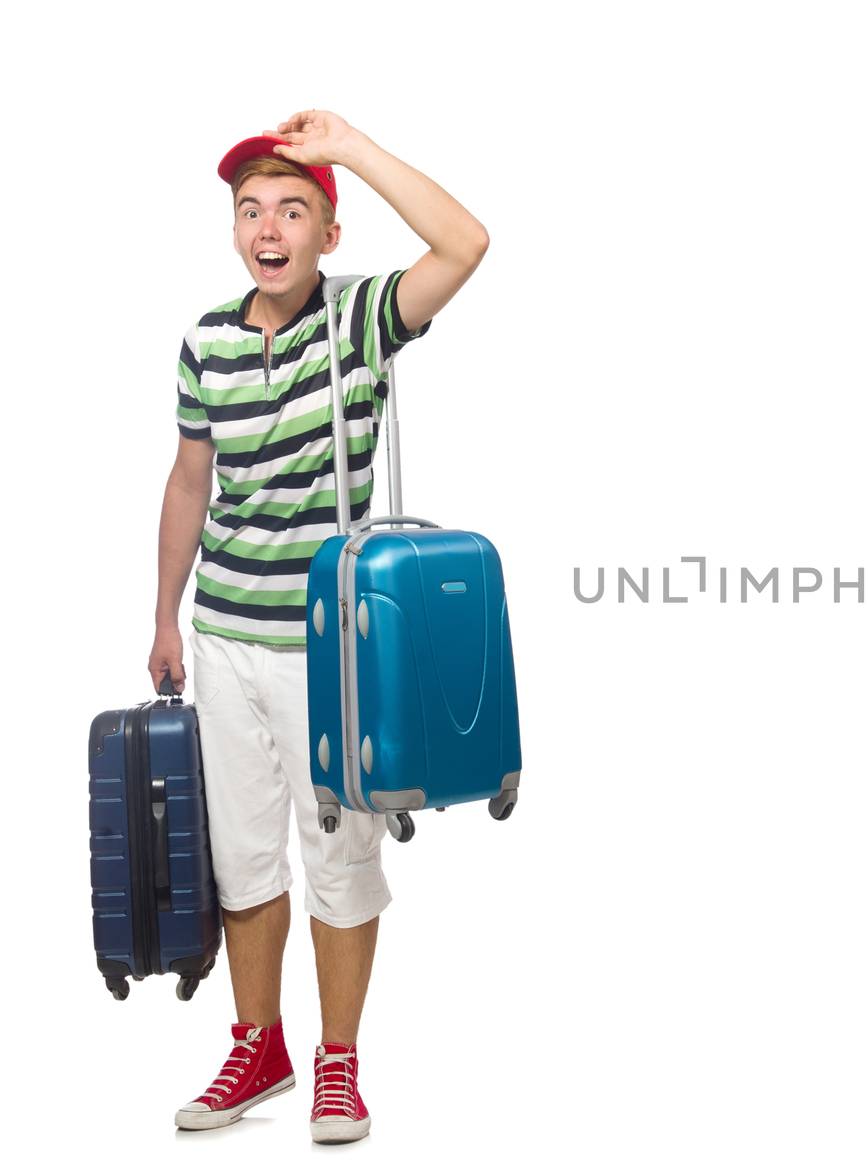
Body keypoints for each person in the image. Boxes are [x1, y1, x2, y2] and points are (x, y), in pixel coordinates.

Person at [150, 110, 489, 1143]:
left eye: (294, 209)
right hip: (221, 634)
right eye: (251, 209)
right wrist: (163, 614)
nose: (269, 226)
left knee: (337, 856)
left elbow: (466, 243)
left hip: (329, 647)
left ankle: (339, 1061)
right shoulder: (205, 338)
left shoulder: (359, 322)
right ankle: (260, 1048)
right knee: (243, 860)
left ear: (328, 234)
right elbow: (189, 479)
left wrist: (348, 150)